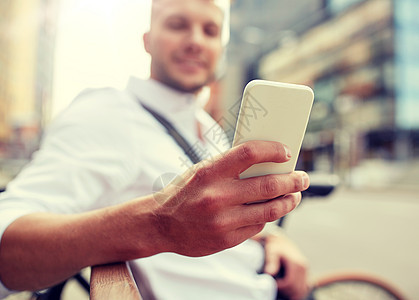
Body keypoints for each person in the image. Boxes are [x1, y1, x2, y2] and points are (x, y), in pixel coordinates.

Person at [0, 0, 311, 299]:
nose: (196, 41)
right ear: (147, 41)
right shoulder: (106, 114)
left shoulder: (205, 125)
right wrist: (158, 225)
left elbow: (221, 214)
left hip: (269, 285)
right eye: (177, 25)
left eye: (211, 31)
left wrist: (273, 237)